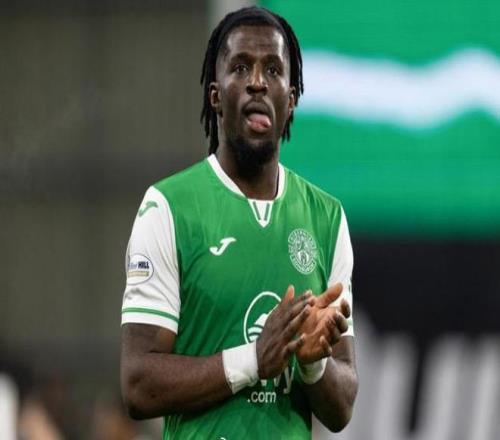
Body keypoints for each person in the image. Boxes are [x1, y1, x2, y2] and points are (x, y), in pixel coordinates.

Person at [120, 6, 358, 439]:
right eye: (241, 67)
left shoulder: (326, 218)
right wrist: (253, 360)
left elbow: (341, 408)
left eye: (273, 70)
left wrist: (312, 362)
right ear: (216, 96)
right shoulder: (168, 208)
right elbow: (138, 384)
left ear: (291, 100)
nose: (257, 82)